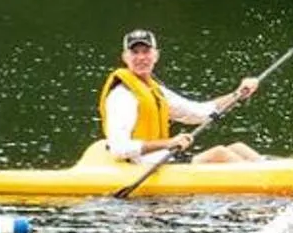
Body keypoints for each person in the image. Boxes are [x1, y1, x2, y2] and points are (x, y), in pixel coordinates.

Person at [99, 29, 261, 165]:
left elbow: (198, 113)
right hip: (141, 166)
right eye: (135, 52)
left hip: (164, 161)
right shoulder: (121, 97)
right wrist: (169, 143)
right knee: (219, 153)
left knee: (239, 147)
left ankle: (277, 176)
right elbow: (118, 148)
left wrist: (238, 94)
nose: (141, 57)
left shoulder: (156, 91)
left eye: (146, 51)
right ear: (125, 57)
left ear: (156, 56)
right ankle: (265, 188)